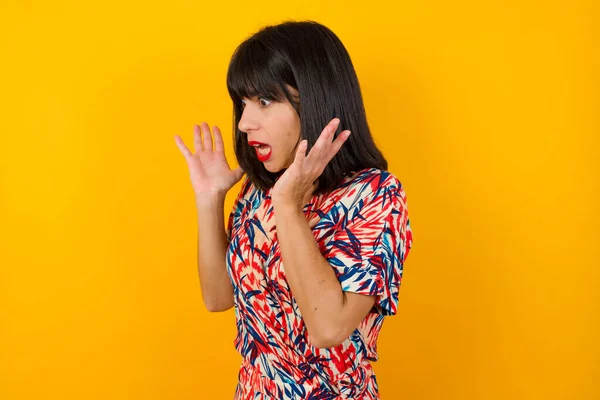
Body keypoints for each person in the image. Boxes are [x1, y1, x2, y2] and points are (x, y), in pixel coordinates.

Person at [174, 20, 413, 400]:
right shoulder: (257, 190)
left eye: (265, 101)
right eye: (243, 103)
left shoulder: (375, 196)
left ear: (315, 99)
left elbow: (328, 329)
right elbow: (218, 299)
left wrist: (287, 206)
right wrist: (209, 198)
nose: (245, 123)